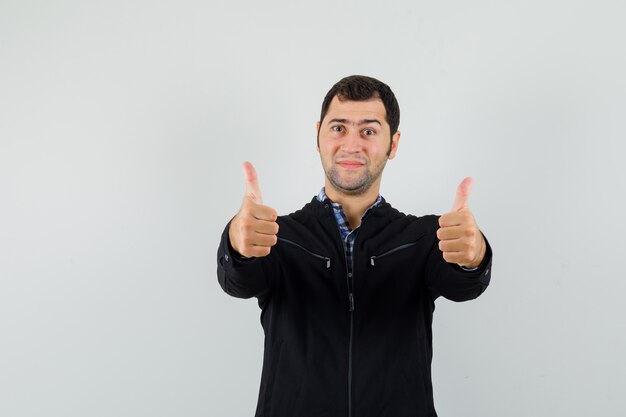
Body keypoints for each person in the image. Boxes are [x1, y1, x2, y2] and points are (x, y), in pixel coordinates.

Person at [217, 75, 493, 417]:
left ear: (393, 143)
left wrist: (474, 255)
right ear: (318, 135)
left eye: (369, 130)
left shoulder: (424, 238)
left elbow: (464, 285)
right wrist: (237, 245)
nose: (351, 144)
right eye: (338, 128)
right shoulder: (276, 236)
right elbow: (238, 282)